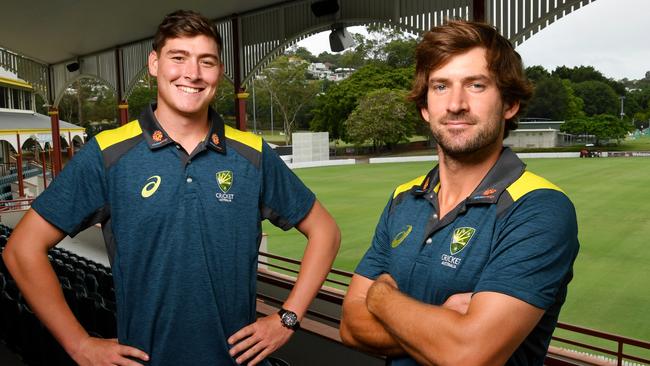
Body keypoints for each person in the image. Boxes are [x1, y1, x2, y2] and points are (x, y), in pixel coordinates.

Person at [3, 9, 340, 366]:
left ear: (219, 71)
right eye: (178, 58)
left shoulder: (253, 155)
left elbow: (325, 232)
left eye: (206, 62)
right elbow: (22, 249)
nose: (192, 74)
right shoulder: (108, 153)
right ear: (154, 63)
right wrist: (79, 345)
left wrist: (288, 318)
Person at [340, 20, 579, 366]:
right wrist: (447, 325)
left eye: (476, 85)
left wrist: (379, 297)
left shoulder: (539, 207)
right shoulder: (403, 198)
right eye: (440, 87)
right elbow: (350, 325)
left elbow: (468, 355)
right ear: (425, 107)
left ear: (509, 104)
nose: (455, 104)